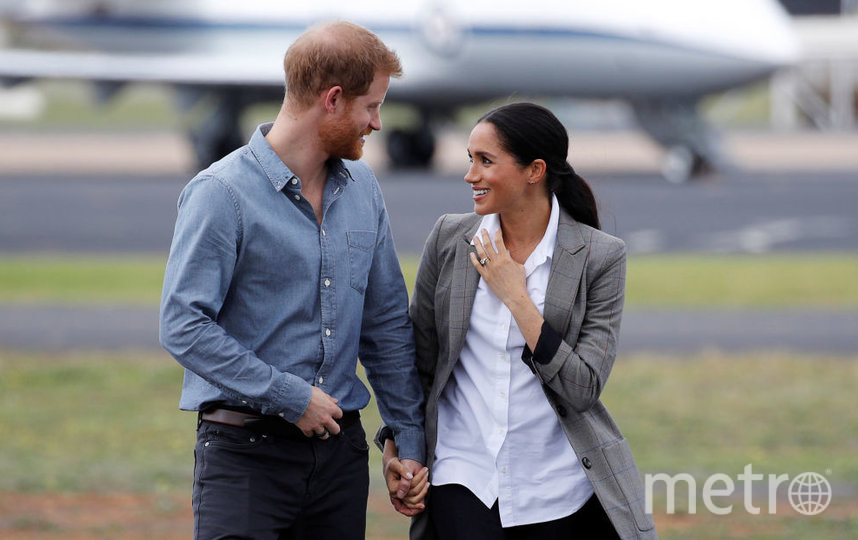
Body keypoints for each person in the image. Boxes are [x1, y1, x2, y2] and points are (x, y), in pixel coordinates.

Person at [159, 21, 426, 539]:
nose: (376, 123)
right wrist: (290, 396)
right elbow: (183, 324)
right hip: (245, 461)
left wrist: (408, 441)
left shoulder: (364, 189)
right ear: (332, 100)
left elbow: (387, 325)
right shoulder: (221, 193)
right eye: (370, 106)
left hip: (341, 461)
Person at [381, 102, 657, 539]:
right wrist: (399, 445)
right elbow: (420, 364)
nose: (471, 175)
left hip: (557, 492)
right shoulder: (450, 239)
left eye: (485, 161)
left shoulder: (600, 257)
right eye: (471, 159)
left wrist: (517, 297)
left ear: (535, 171)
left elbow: (583, 388)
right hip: (463, 481)